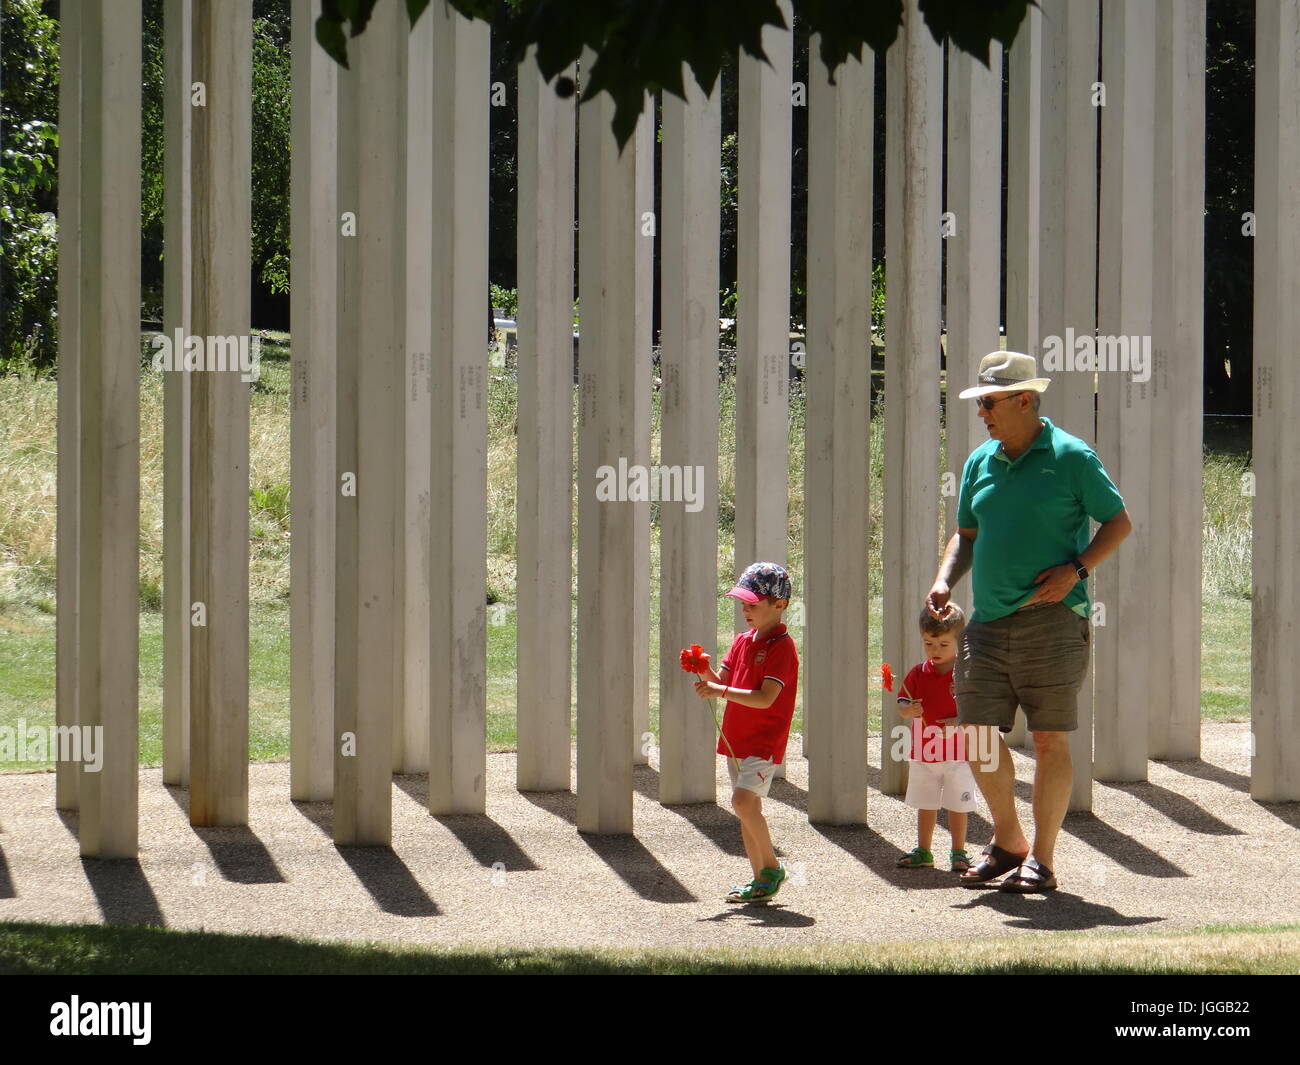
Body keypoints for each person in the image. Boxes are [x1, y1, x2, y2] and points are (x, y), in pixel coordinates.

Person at [927, 351, 1132, 893]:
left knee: (1048, 741)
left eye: (990, 403)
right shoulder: (979, 462)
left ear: (1024, 400)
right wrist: (946, 578)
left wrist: (1077, 569)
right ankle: (1009, 840)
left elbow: (1118, 522)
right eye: (980, 403)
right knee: (976, 738)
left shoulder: (1072, 457)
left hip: (1053, 622)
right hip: (986, 627)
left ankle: (1042, 857)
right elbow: (966, 535)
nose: (982, 413)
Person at [692, 562, 799, 904]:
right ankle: (760, 879)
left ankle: (771, 868)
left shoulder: (783, 647)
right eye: (743, 604)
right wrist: (702, 669)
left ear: (779, 605)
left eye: (753, 604)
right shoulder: (741, 641)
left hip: (763, 742)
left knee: (742, 803)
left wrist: (718, 692)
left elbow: (766, 698)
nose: (745, 610)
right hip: (737, 740)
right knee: (745, 809)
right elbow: (723, 682)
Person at [895, 603, 977, 873]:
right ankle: (924, 849)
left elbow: (976, 706)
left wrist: (958, 720)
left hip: (958, 755)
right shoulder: (918, 673)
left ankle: (958, 850)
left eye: (943, 644)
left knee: (958, 804)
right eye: (929, 643)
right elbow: (902, 703)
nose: (935, 650)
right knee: (926, 803)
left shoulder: (965, 673)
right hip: (924, 754)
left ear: (958, 641)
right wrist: (909, 710)